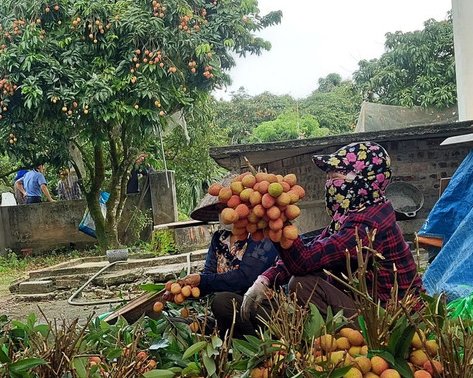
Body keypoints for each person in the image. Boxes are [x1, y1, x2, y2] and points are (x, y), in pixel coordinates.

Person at [238, 141, 422, 336]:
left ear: (364, 179)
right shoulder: (351, 215)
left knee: (302, 284)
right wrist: (265, 279)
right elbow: (316, 250)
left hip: (393, 320)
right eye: (329, 177)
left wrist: (278, 222)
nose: (330, 183)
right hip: (368, 306)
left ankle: (347, 343)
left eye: (336, 177)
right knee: (309, 277)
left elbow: (305, 261)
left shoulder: (368, 223)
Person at [171, 174, 277, 332]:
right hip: (228, 314)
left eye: (226, 207)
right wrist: (186, 289)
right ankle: (225, 335)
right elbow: (209, 276)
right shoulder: (218, 239)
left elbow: (245, 278)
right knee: (177, 323)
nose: (222, 213)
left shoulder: (261, 237)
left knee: (221, 302)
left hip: (259, 308)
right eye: (219, 209)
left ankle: (250, 341)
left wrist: (202, 280)